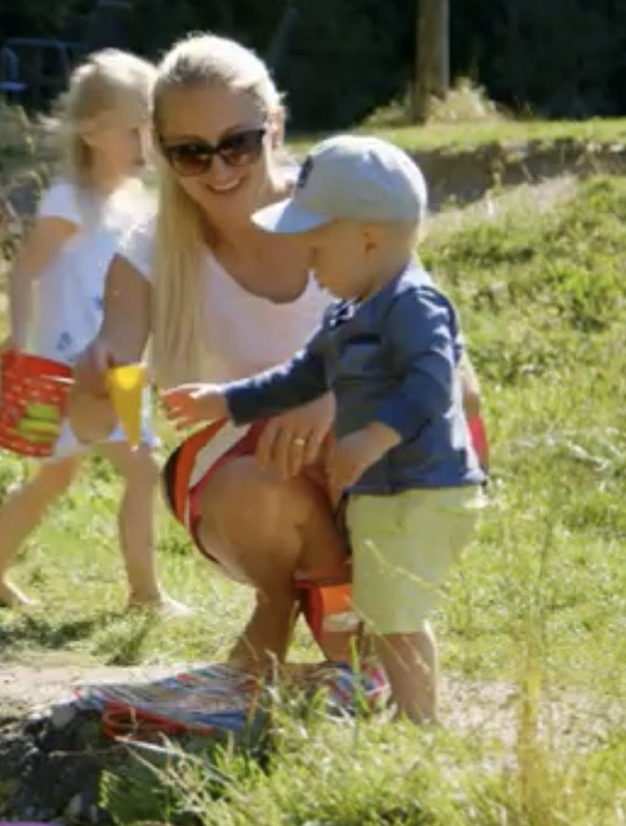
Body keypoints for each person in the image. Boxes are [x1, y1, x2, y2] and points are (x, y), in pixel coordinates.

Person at [68, 34, 489, 669]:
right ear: (162, 152)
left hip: (376, 456)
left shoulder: (349, 213)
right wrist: (101, 369)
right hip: (247, 478)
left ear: (276, 126)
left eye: (238, 143)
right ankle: (299, 610)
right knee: (263, 474)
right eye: (191, 153)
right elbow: (116, 354)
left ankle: (355, 629)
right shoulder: (149, 249)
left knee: (324, 444)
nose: (220, 170)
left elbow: (456, 381)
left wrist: (333, 399)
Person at [161, 134, 487, 723]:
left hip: (422, 489)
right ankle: (397, 710)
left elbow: (433, 383)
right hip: (383, 492)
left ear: (367, 240)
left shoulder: (414, 304)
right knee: (384, 609)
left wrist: (373, 437)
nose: (309, 266)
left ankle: (423, 726)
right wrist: (227, 402)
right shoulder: (348, 311)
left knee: (396, 615)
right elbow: (300, 377)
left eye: (316, 249)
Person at [0, 49, 189, 615]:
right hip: (66, 367)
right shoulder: (69, 201)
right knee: (136, 467)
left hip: (121, 362)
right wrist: (19, 334)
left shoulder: (135, 204)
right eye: (133, 131)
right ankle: (145, 595)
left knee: (58, 478)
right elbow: (26, 269)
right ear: (92, 131)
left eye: (151, 131)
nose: (146, 145)